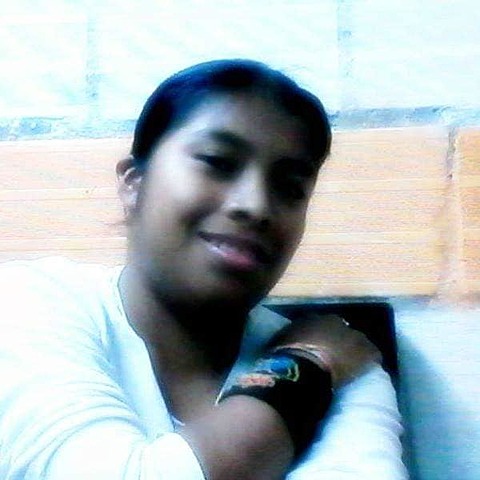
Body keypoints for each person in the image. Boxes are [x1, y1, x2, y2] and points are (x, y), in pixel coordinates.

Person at [0, 59, 408, 479]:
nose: (255, 205)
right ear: (134, 183)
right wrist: (302, 366)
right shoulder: (27, 304)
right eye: (217, 161)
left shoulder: (350, 368)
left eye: (289, 187)